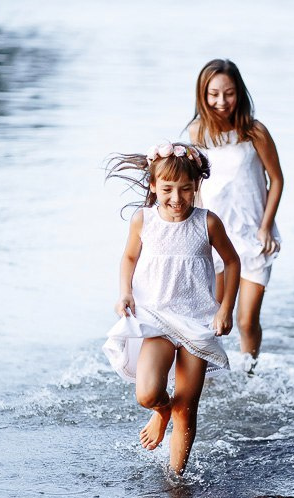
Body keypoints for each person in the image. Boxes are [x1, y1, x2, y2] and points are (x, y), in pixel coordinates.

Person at [103, 142, 240, 474]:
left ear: (197, 187)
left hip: (197, 321)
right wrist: (125, 293)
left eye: (186, 189)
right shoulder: (143, 220)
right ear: (153, 186)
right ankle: (161, 411)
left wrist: (225, 310)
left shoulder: (207, 223)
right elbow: (129, 257)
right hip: (155, 318)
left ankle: (176, 483)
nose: (176, 198)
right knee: (148, 393)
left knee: (187, 408)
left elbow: (232, 262)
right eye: (167, 189)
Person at [187, 58, 284, 371]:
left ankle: (249, 373)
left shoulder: (255, 132)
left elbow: (277, 179)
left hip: (254, 235)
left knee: (245, 319)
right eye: (213, 94)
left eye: (228, 93)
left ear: (239, 93)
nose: (221, 101)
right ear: (203, 95)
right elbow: (196, 186)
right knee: (210, 314)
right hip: (217, 238)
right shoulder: (198, 132)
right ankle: (205, 375)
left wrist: (266, 227)